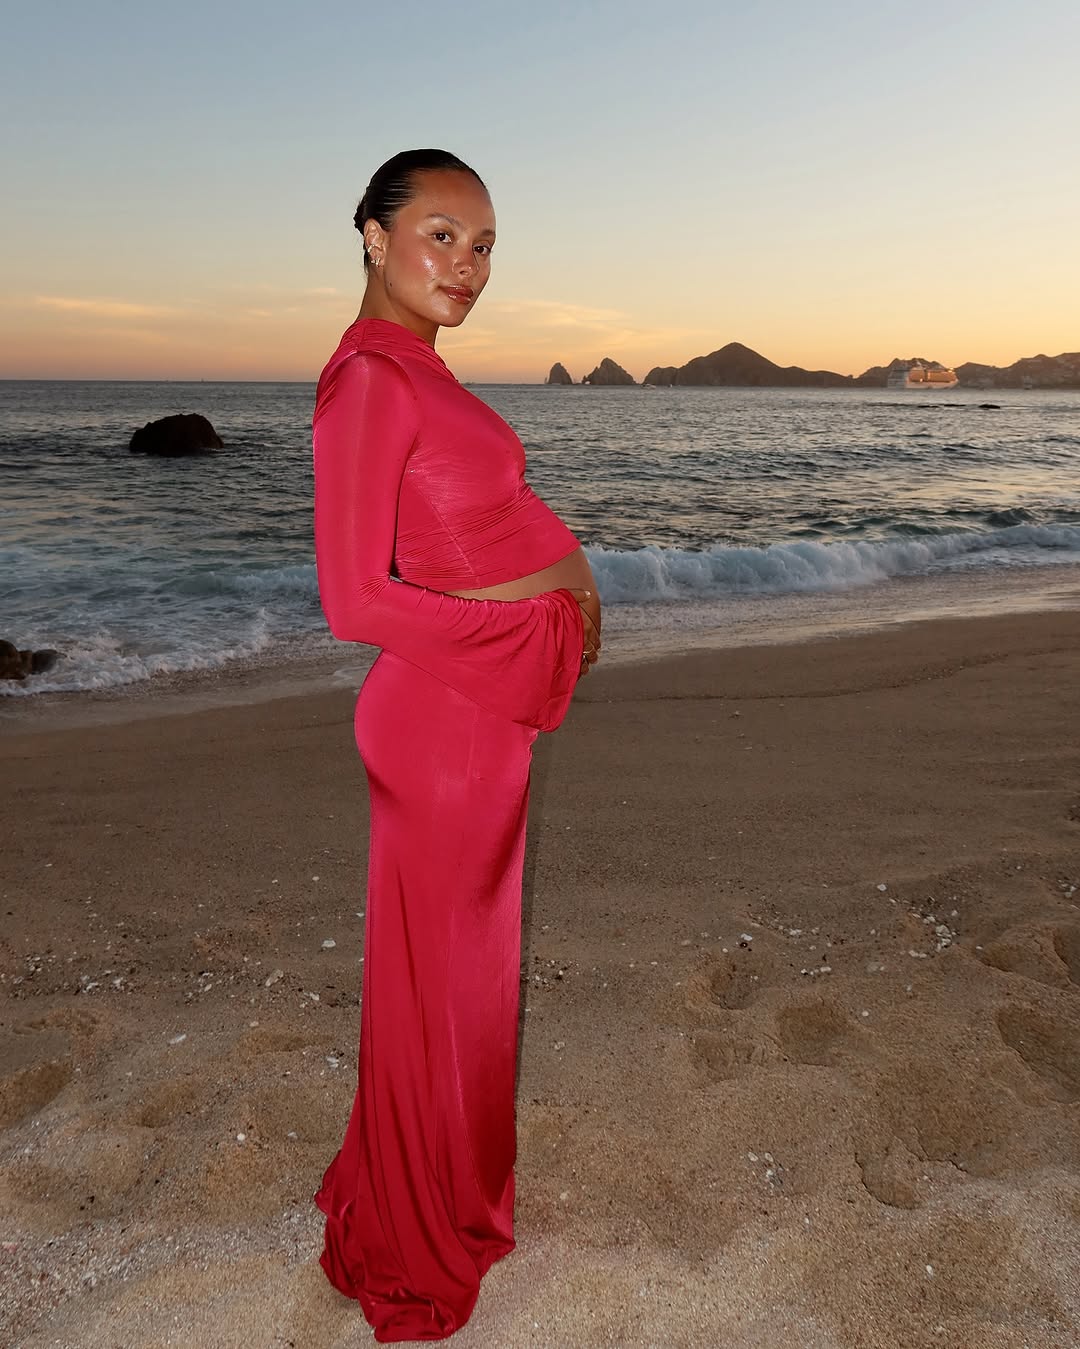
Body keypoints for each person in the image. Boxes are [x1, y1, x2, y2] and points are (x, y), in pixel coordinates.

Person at [310, 148, 602, 1343]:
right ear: (374, 236)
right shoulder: (372, 379)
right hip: (445, 719)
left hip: (462, 717)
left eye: (483, 246)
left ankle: (421, 1190)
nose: (467, 265)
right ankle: (416, 1233)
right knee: (451, 986)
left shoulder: (417, 370)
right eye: (441, 234)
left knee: (451, 982)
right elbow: (353, 598)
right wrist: (533, 633)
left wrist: (550, 609)